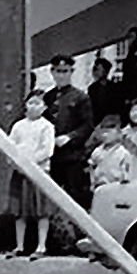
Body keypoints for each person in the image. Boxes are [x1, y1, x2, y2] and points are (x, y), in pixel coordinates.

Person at [42, 53, 94, 212]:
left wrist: (70, 137)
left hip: (73, 155)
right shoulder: (48, 97)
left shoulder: (80, 97)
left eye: (65, 71)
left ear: (71, 72)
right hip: (53, 154)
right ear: (52, 72)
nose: (61, 75)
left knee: (75, 196)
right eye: (58, 71)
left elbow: (87, 125)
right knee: (51, 196)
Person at [7, 90, 55, 257]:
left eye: (38, 103)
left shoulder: (47, 126)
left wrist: (30, 163)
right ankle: (19, 246)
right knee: (19, 211)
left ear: (44, 107)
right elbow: (9, 146)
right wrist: (15, 162)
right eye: (31, 102)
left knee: (42, 211)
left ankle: (41, 246)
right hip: (19, 173)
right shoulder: (18, 125)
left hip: (39, 173)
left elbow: (47, 150)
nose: (34, 106)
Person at [88, 114, 131, 189]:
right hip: (100, 186)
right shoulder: (97, 151)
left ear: (118, 133)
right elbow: (91, 167)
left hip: (116, 187)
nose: (105, 135)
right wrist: (93, 183)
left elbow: (126, 172)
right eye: (103, 132)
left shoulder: (123, 153)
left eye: (108, 132)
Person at [86, 55, 126, 127]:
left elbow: (120, 107)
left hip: (112, 122)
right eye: (94, 69)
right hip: (97, 124)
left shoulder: (115, 88)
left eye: (97, 69)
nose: (94, 72)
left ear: (105, 72)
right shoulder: (92, 89)